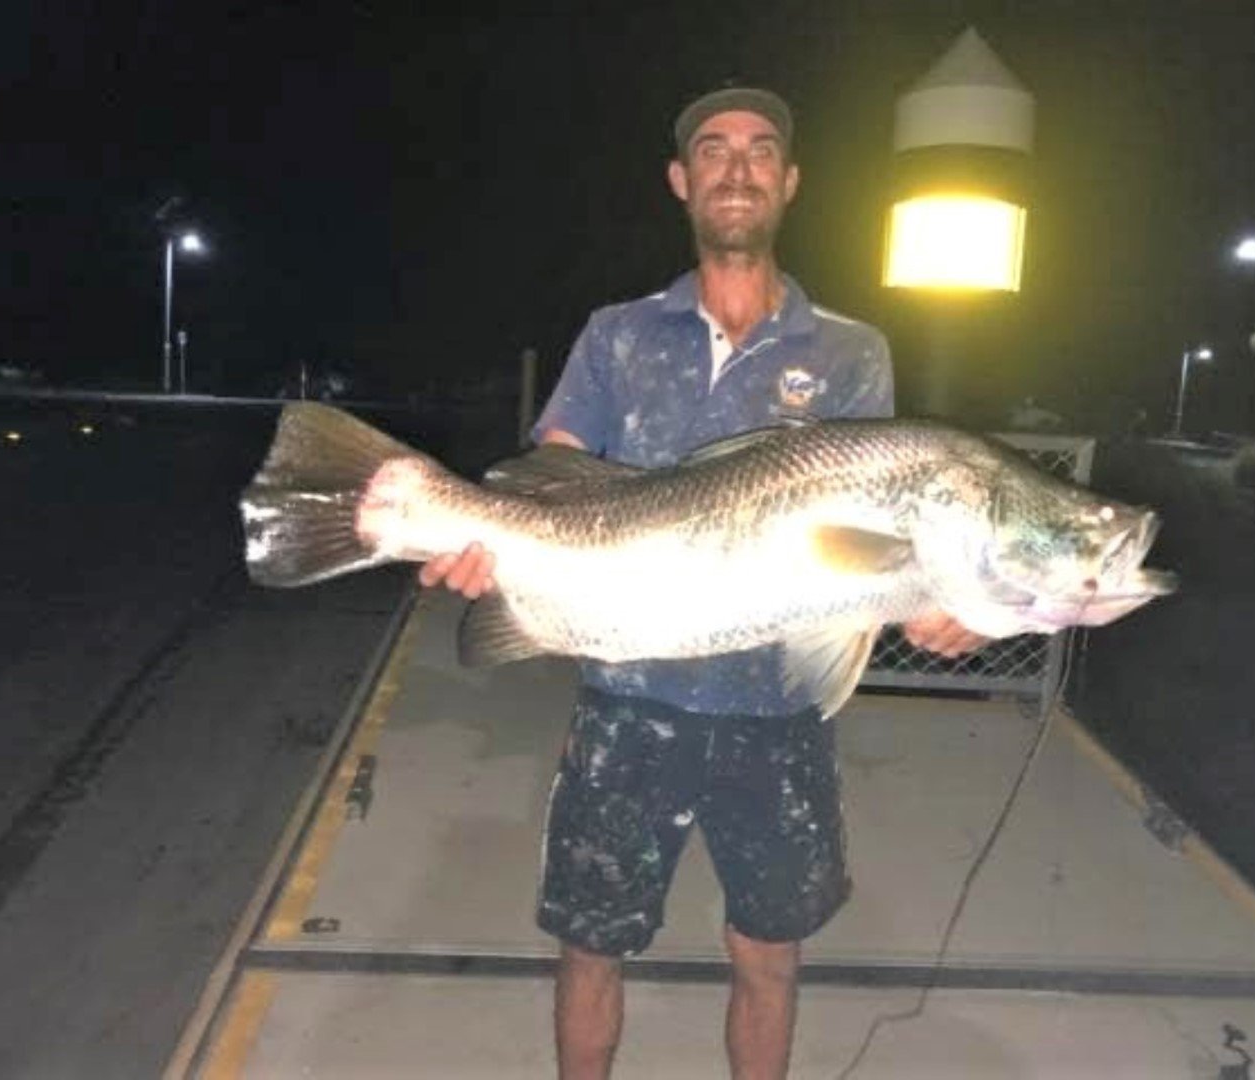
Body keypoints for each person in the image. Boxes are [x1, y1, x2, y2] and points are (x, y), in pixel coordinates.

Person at [422, 87, 988, 1079]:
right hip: (627, 699)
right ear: (683, 182)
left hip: (777, 710)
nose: (739, 167)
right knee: (592, 948)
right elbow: (549, 471)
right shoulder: (619, 336)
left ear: (791, 182)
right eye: (716, 151)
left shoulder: (852, 353)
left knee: (768, 956)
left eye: (763, 150)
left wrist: (951, 599)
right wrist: (487, 544)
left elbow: (875, 544)